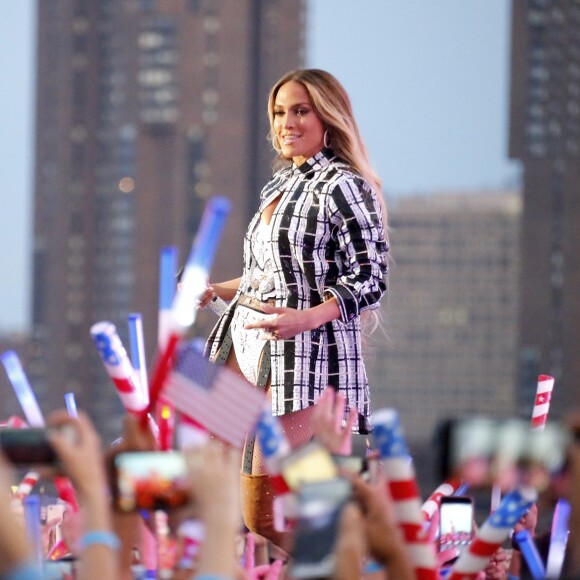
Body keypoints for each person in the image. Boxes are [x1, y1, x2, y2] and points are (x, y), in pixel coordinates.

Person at [201, 68, 389, 548]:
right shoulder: (279, 186)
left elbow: (370, 278)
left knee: (266, 512)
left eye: (300, 110)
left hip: (304, 364)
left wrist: (306, 317)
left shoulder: (343, 186)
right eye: (280, 112)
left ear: (328, 117)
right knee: (201, 486)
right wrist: (214, 288)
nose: (287, 122)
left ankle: (360, 564)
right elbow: (270, 272)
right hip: (244, 345)